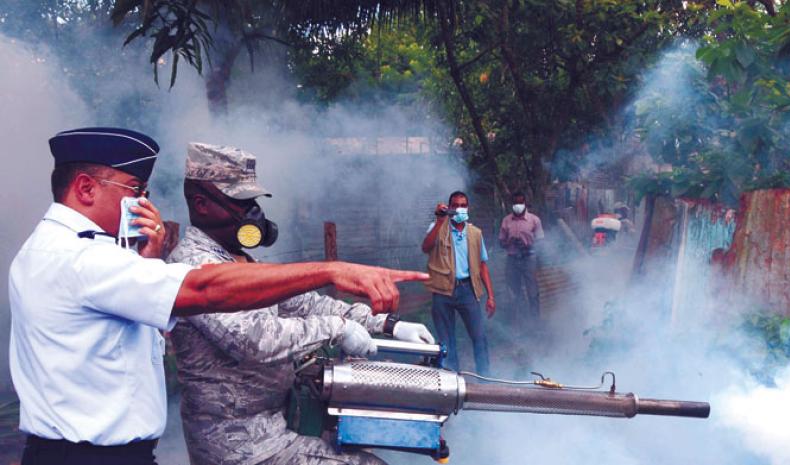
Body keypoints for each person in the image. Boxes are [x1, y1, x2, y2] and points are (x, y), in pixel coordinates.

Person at [8, 128, 427, 465]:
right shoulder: (82, 258)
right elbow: (226, 310)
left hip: (125, 451)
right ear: (85, 188)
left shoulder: (80, 252)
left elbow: (299, 300)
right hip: (223, 446)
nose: (142, 203)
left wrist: (386, 323)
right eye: (136, 190)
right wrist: (335, 294)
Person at [167, 142, 434, 465]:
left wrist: (388, 324)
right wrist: (337, 330)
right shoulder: (192, 267)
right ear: (202, 205)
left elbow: (304, 303)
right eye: (240, 201)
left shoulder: (238, 259)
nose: (252, 212)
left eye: (252, 200)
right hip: (240, 447)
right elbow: (255, 340)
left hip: (275, 426)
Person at [421, 191, 496, 374]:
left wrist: (490, 296)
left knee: (479, 337)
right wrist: (439, 221)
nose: (459, 209)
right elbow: (425, 247)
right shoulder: (438, 227)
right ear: (449, 208)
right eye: (455, 205)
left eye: (463, 205)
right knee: (446, 341)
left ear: (468, 208)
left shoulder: (475, 233)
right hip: (442, 290)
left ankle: (485, 379)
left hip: (467, 290)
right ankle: (452, 379)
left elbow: (482, 265)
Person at [498, 191, 544, 324]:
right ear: (512, 204)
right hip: (512, 258)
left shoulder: (534, 220)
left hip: (528, 258)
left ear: (524, 203)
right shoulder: (506, 221)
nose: (518, 205)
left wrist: (528, 245)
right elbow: (501, 241)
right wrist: (509, 242)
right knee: (513, 291)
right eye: (515, 202)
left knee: (532, 290)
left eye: (520, 202)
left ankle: (535, 321)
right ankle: (518, 321)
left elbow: (540, 240)